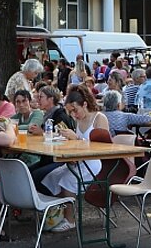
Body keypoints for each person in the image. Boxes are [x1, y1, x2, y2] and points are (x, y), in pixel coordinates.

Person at [37, 86, 111, 232]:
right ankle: (59, 213)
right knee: (51, 177)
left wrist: (76, 138)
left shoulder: (99, 118)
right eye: (70, 111)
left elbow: (103, 148)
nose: (73, 114)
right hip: (80, 160)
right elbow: (80, 143)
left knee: (67, 181)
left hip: (96, 163)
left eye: (75, 110)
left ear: (84, 104)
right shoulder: (79, 120)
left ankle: (70, 219)